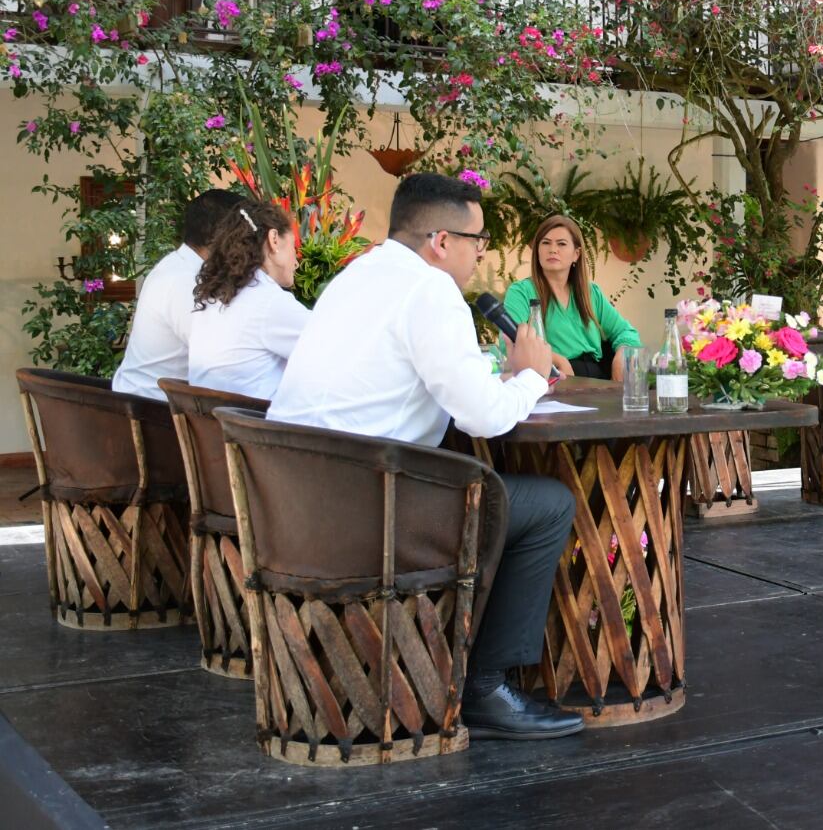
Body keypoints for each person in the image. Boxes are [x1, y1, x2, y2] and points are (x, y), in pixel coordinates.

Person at [269, 173, 581, 741]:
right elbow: (484, 417)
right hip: (369, 509)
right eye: (477, 241)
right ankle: (487, 687)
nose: (479, 253)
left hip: (295, 504)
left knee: (493, 492)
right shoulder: (431, 290)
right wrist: (532, 377)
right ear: (442, 241)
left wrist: (507, 376)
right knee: (547, 503)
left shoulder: (356, 276)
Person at [112, 189, 245, 400]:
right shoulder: (186, 281)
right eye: (245, 235)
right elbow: (221, 358)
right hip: (154, 412)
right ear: (223, 237)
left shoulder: (176, 266)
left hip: (143, 401)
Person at [187, 201, 311, 400]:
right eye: (294, 246)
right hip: (256, 426)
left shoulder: (213, 297)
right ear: (274, 240)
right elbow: (332, 348)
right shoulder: (268, 302)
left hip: (212, 426)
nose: (296, 260)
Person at [502, 215, 641, 380]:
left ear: (576, 254)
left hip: (596, 379)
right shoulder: (521, 291)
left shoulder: (590, 292)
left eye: (561, 244)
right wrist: (556, 360)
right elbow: (509, 342)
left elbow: (626, 332)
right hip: (553, 376)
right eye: (546, 243)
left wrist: (622, 354)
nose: (553, 249)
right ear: (537, 250)